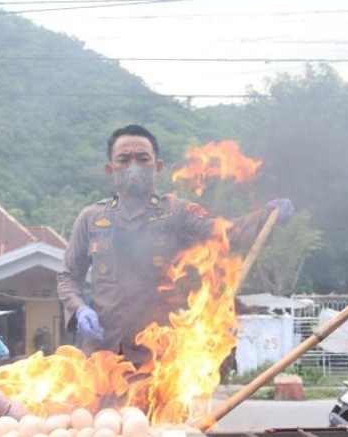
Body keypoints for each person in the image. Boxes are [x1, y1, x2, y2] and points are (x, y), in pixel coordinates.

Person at [56, 124, 294, 366]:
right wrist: (79, 309)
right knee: (94, 407)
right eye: (124, 159)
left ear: (157, 167)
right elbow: (67, 277)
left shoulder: (177, 211)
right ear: (110, 169)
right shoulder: (91, 218)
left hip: (158, 359)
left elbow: (228, 234)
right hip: (100, 355)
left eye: (142, 158)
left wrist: (265, 217)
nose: (133, 166)